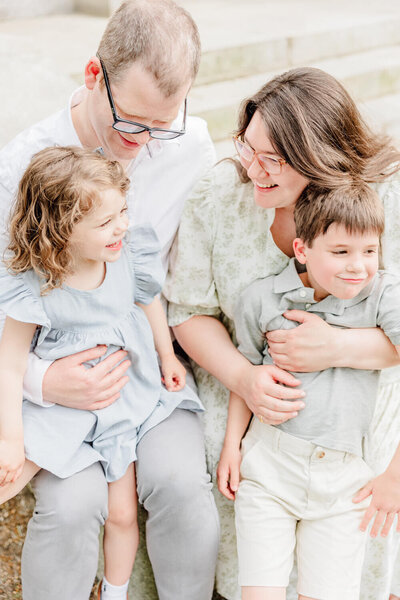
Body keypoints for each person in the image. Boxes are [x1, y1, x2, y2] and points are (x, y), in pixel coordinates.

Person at [0, 1, 219, 599]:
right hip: (55, 380)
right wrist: (44, 383)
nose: (145, 144)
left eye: (163, 125)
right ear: (94, 75)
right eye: (131, 126)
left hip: (146, 370)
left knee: (180, 484)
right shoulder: (23, 166)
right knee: (72, 509)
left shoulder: (191, 144)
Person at [164, 66, 400, 600]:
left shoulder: (383, 200)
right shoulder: (219, 195)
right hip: (248, 396)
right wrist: (245, 379)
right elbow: (188, 309)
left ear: (321, 159)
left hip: (357, 417)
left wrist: (339, 347)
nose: (254, 169)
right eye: (248, 148)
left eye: (274, 159)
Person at [217, 182, 400, 600]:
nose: (358, 266)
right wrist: (232, 446)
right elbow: (245, 375)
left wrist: (396, 473)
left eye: (369, 251)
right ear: (302, 250)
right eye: (341, 252)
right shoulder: (262, 298)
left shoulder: (384, 295)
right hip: (269, 469)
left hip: (344, 481)